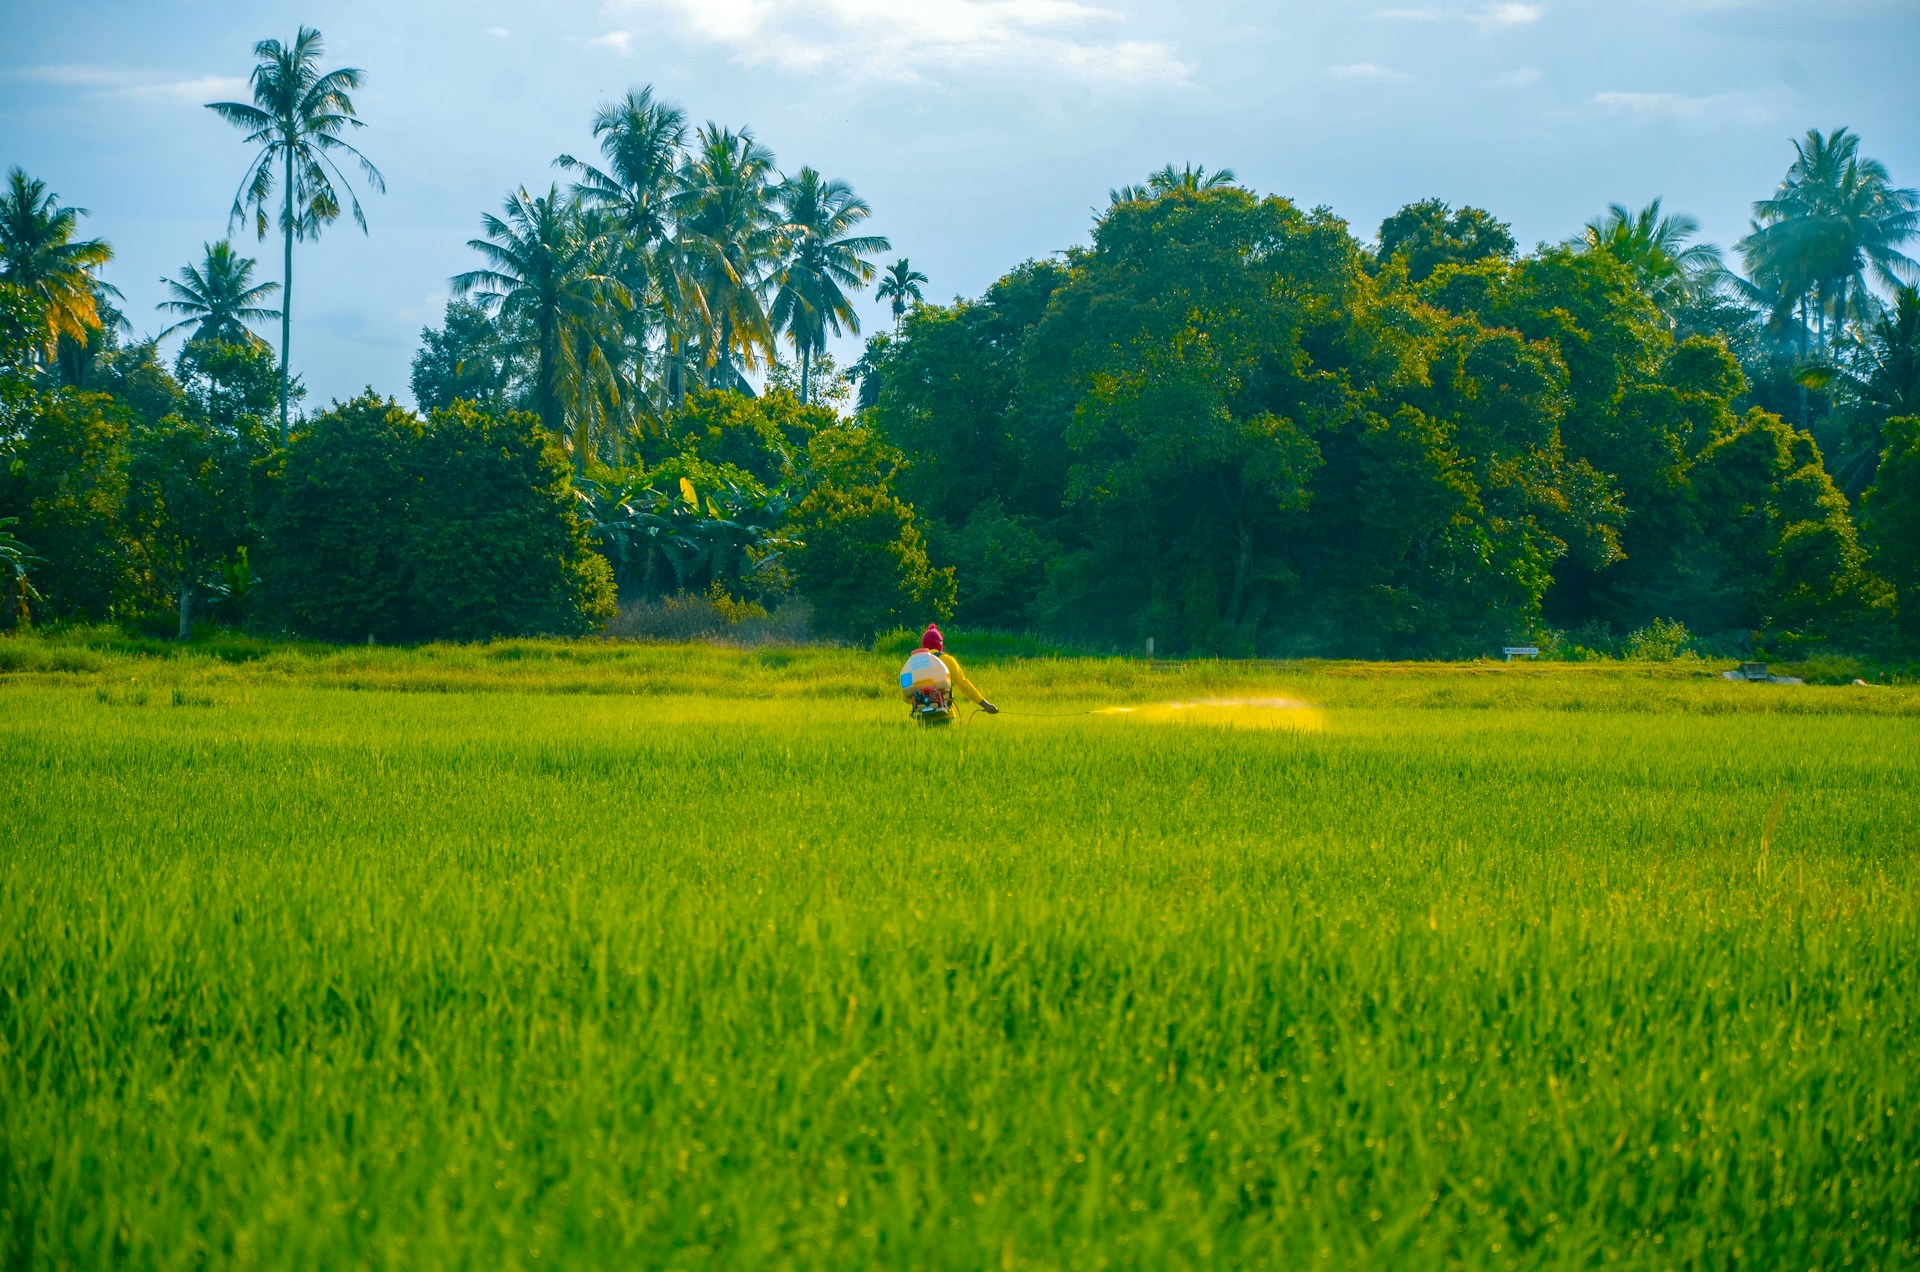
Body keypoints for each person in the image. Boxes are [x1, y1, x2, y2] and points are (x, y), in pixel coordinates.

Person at [899, 623, 998, 723]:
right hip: (945, 716)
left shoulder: (914, 664)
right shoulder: (947, 660)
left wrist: (924, 701)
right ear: (939, 644)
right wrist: (985, 705)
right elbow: (963, 684)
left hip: (922, 719)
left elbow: (906, 697)